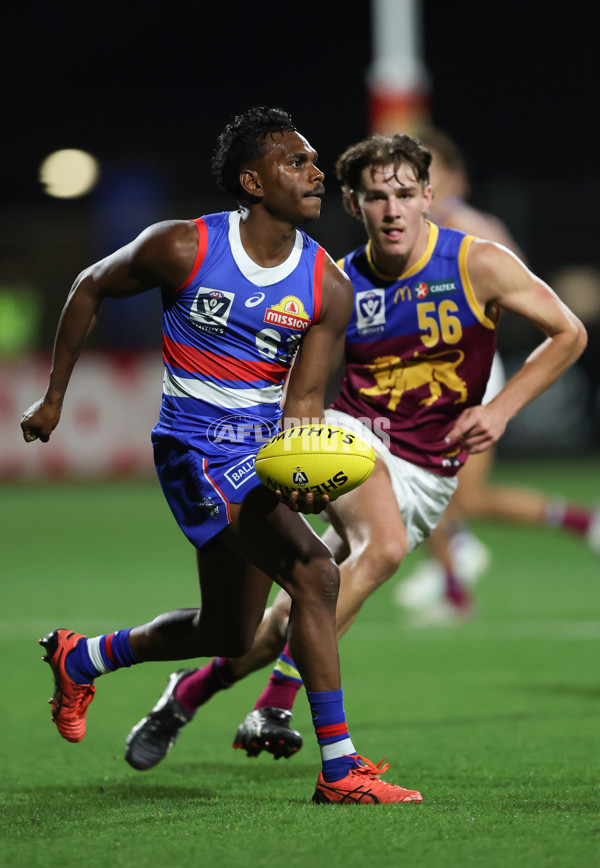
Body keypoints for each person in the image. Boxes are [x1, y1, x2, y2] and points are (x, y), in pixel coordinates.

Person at [123, 131, 587, 768]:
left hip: (431, 469)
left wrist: (501, 409)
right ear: (353, 203)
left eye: (403, 194)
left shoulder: (479, 263)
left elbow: (568, 332)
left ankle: (187, 695)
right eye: (375, 197)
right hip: (355, 437)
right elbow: (300, 387)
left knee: (293, 616)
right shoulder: (337, 284)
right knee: (384, 549)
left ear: (429, 196)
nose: (391, 209)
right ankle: (278, 705)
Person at [21, 106, 424, 805]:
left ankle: (82, 656)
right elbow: (90, 287)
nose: (315, 172)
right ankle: (340, 770)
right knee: (317, 572)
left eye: (314, 161)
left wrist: (300, 472)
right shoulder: (182, 247)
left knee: (230, 632)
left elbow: (303, 406)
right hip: (191, 449)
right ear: (251, 180)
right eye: (295, 162)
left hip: (256, 452)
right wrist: (54, 397)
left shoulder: (327, 285)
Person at [396, 128, 600, 622]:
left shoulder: (463, 224)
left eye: (426, 170)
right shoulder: (418, 227)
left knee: (437, 487)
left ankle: (456, 578)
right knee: (445, 491)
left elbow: (520, 291)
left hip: (465, 372)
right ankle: (456, 574)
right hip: (432, 374)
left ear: (452, 176)